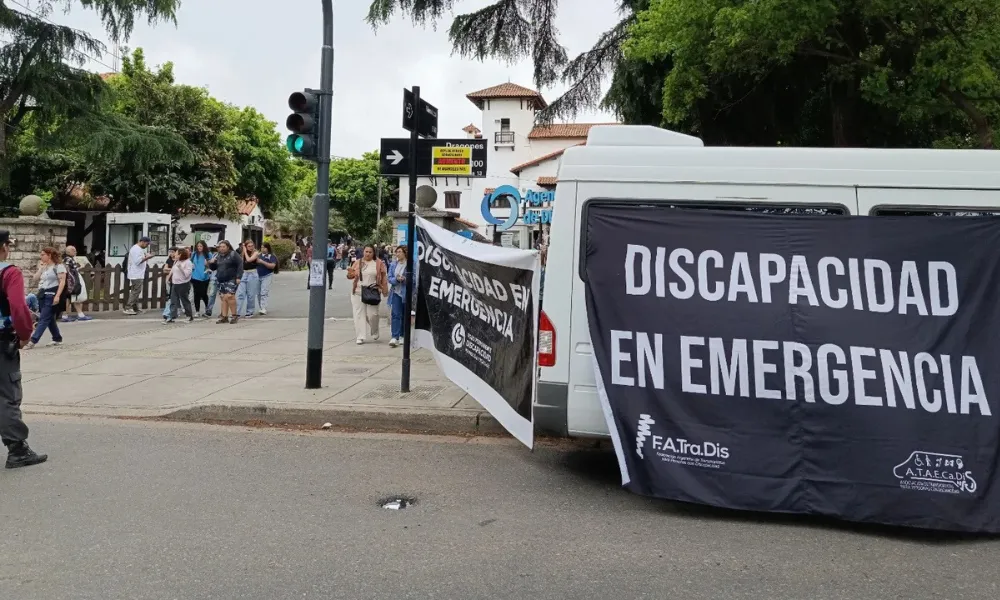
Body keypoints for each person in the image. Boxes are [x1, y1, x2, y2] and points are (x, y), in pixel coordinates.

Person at [0, 231, 48, 468]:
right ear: (3, 248)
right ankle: (17, 449)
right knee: (7, 396)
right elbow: (18, 308)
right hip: (1, 342)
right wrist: (25, 335)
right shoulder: (9, 272)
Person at [25, 247, 66, 349]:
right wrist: (41, 269)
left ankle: (33, 340)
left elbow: (62, 282)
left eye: (43, 254)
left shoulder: (59, 266)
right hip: (42, 293)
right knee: (49, 318)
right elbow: (35, 278)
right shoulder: (45, 267)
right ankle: (57, 337)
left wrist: (57, 296)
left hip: (51, 294)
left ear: (50, 255)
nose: (41, 256)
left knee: (44, 318)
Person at [347, 244, 387, 344]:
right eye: (366, 251)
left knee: (373, 315)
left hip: (373, 291)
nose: (368, 254)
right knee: (359, 314)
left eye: (370, 252)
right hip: (358, 291)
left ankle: (375, 330)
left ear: (373, 253)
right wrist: (350, 274)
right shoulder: (357, 262)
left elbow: (383, 277)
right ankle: (360, 336)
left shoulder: (378, 263)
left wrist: (384, 290)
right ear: (363, 252)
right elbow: (350, 276)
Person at [387, 245, 413, 348]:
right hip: (395, 292)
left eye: (399, 252)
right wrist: (397, 279)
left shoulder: (411, 264)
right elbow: (390, 278)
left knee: (405, 315)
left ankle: (403, 335)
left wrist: (405, 279)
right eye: (396, 252)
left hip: (406, 292)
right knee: (396, 314)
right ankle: (395, 336)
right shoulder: (393, 264)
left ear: (405, 253)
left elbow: (414, 279)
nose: (397, 254)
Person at [210, 240, 242, 324]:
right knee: (223, 297)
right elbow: (213, 268)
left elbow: (240, 264)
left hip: (231, 278)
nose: (222, 248)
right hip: (220, 278)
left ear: (228, 247)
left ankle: (234, 316)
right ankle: (224, 316)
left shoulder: (233, 254)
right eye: (220, 247)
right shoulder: (218, 256)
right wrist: (212, 263)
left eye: (224, 247)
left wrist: (239, 277)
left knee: (230, 296)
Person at [61, 245, 92, 322]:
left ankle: (76, 314)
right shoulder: (68, 259)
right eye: (74, 250)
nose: (76, 252)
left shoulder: (69, 259)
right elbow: (67, 269)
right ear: (69, 251)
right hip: (71, 280)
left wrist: (78, 268)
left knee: (72, 297)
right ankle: (70, 315)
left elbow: (71, 269)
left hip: (71, 279)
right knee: (72, 296)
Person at [124, 236, 153, 315]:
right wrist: (147, 257)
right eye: (147, 243)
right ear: (142, 242)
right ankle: (128, 307)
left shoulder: (137, 249)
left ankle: (135, 308)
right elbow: (138, 261)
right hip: (136, 273)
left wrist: (145, 256)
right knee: (136, 291)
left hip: (137, 273)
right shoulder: (136, 249)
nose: (147, 245)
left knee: (135, 291)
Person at [166, 248, 194, 323]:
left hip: (183, 283)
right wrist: (168, 278)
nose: (175, 255)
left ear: (181, 254)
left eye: (177, 253)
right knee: (173, 300)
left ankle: (189, 316)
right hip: (175, 283)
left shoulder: (188, 262)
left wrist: (181, 268)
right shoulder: (176, 261)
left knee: (184, 300)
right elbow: (172, 269)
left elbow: (187, 275)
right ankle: (172, 316)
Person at [237, 239, 259, 319]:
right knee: (240, 294)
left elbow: (249, 260)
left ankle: (249, 312)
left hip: (252, 273)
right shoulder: (242, 254)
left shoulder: (256, 253)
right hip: (244, 273)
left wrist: (245, 251)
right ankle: (237, 312)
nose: (251, 247)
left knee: (250, 294)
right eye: (249, 246)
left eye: (252, 246)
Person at [190, 240, 212, 317]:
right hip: (195, 276)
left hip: (205, 277)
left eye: (201, 246)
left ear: (204, 246)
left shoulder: (208, 254)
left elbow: (212, 265)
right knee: (196, 294)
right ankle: (197, 311)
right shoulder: (194, 254)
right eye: (198, 246)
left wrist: (208, 263)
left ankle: (207, 309)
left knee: (204, 294)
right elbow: (191, 263)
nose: (199, 247)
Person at [256, 242, 277, 315]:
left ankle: (263, 307)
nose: (263, 249)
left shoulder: (271, 256)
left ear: (268, 248)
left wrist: (262, 262)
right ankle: (261, 307)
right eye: (261, 247)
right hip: (258, 276)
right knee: (258, 292)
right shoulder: (258, 255)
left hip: (267, 275)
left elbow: (272, 266)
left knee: (264, 291)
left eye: (264, 247)